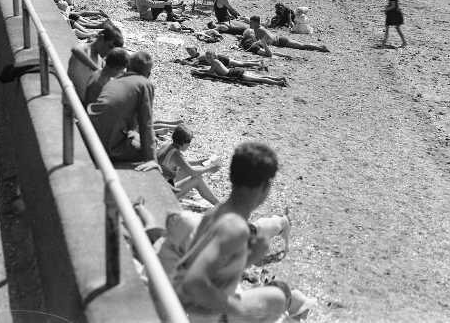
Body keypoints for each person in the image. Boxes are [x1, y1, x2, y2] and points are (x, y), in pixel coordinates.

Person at [172, 142, 311, 321]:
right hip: (194, 314)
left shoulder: (216, 212)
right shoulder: (234, 228)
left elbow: (215, 270)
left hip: (182, 302)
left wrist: (251, 258)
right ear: (265, 188)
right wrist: (236, 308)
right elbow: (193, 283)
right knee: (276, 299)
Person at [86, 51, 157, 163]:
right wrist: (151, 159)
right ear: (148, 74)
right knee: (149, 146)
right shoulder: (144, 84)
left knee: (136, 137)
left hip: (88, 137)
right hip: (103, 148)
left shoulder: (115, 81)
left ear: (127, 67)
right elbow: (146, 123)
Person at [156, 125, 221, 205]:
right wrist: (209, 168)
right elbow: (192, 172)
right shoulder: (176, 154)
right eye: (189, 142)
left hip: (158, 185)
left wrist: (198, 162)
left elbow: (182, 163)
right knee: (197, 179)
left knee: (197, 169)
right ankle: (219, 205)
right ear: (183, 143)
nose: (189, 145)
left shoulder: (167, 145)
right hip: (163, 195)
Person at [240, 15, 329, 56]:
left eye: (251, 23)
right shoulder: (258, 28)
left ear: (255, 23)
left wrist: (266, 42)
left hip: (280, 41)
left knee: (301, 46)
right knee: (301, 45)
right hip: (280, 39)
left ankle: (320, 47)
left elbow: (270, 39)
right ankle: (319, 47)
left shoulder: (259, 30)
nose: (250, 24)